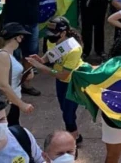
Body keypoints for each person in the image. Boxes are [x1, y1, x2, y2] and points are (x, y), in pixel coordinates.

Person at [27, 17, 84, 147]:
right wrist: (41, 60)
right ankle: (75, 135)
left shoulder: (74, 49)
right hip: (61, 82)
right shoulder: (55, 41)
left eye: (54, 35)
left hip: (72, 83)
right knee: (64, 110)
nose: (50, 37)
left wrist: (42, 67)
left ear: (63, 33)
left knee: (69, 114)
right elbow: (51, 55)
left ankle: (74, 139)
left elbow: (64, 75)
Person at [0, 23, 31, 127]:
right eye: (22, 37)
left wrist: (28, 72)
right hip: (5, 103)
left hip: (11, 102)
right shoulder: (2, 56)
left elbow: (12, 77)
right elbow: (2, 85)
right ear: (17, 37)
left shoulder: (8, 54)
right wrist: (22, 105)